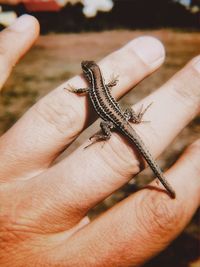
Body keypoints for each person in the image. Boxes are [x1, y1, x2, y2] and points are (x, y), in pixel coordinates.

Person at [0, 15, 199, 267]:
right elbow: (109, 84)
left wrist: (82, 102)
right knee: (127, 117)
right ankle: (131, 127)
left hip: (114, 123)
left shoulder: (90, 87)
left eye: (85, 70)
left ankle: (105, 136)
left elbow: (85, 92)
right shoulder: (101, 84)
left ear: (87, 74)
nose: (84, 71)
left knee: (107, 126)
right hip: (123, 118)